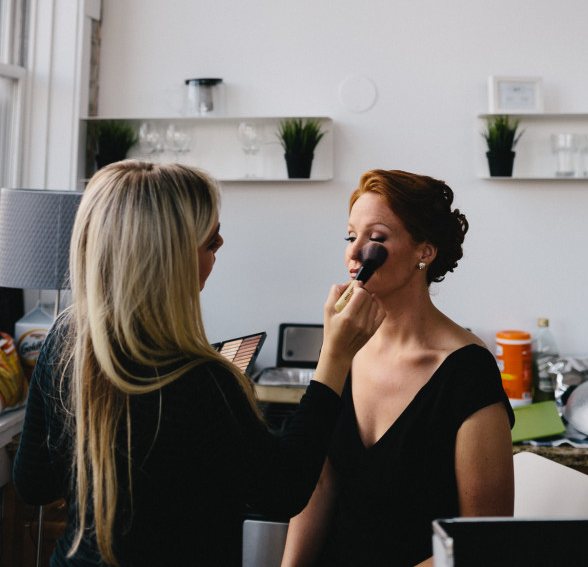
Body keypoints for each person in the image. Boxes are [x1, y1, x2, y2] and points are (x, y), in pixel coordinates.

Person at [13, 161, 384, 567]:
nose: (221, 244)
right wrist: (334, 355)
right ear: (168, 260)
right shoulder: (201, 381)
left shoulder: (62, 344)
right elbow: (283, 489)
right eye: (210, 242)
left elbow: (34, 484)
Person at [281, 169, 514, 567]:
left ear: (424, 251)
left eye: (375, 238)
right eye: (350, 236)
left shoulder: (466, 373)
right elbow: (319, 482)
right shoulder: (346, 349)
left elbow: (479, 544)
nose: (355, 253)